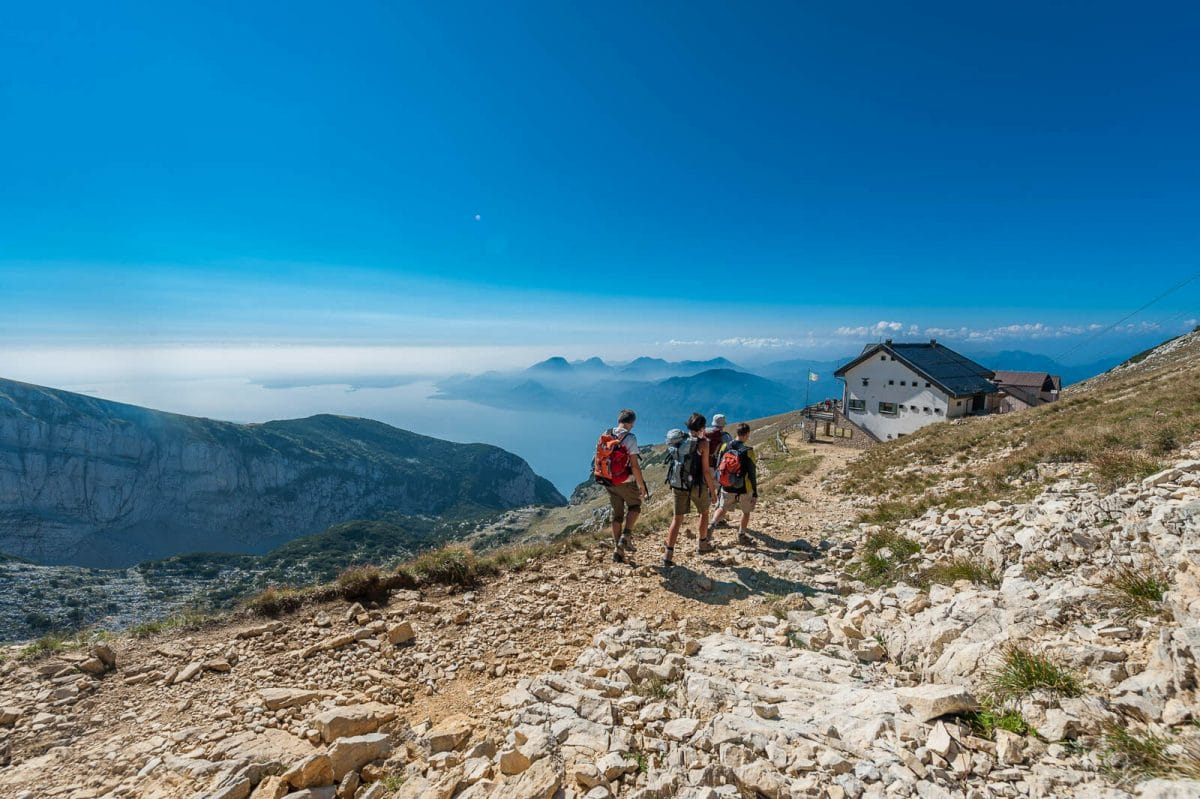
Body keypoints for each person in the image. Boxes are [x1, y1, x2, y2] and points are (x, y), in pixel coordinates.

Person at [663, 412, 718, 570]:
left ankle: (668, 554)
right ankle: (702, 544)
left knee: (677, 519)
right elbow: (706, 471)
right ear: (701, 428)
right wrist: (713, 492)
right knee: (704, 513)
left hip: (679, 485)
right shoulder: (704, 443)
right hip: (697, 485)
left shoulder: (679, 441)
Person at [593, 408, 648, 563]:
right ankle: (626, 536)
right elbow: (635, 466)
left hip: (607, 480)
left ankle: (618, 550)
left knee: (616, 514)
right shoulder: (630, 438)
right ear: (632, 422)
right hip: (625, 481)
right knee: (635, 506)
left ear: (619, 419)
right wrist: (641, 484)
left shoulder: (607, 432)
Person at [709, 423, 759, 546]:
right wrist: (755, 493)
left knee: (722, 508)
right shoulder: (748, 451)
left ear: (736, 433)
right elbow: (752, 473)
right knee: (746, 512)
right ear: (746, 434)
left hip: (726, 486)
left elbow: (719, 466)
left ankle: (712, 525)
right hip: (744, 488)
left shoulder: (724, 446)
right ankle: (741, 535)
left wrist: (720, 485)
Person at [704, 413, 733, 527]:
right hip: (717, 468)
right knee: (720, 492)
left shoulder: (705, 433)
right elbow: (729, 453)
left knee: (707, 490)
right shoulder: (725, 436)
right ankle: (718, 519)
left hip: (705, 467)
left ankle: (703, 516)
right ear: (723, 425)